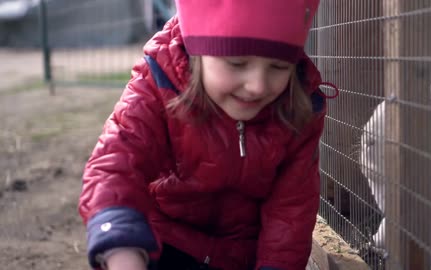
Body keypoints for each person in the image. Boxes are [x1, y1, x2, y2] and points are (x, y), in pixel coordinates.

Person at [78, 0, 338, 269]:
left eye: (279, 67)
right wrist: (123, 248)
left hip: (241, 258)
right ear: (197, 50)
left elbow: (290, 209)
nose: (257, 86)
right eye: (237, 63)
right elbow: (116, 163)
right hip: (165, 244)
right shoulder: (158, 83)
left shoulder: (298, 107)